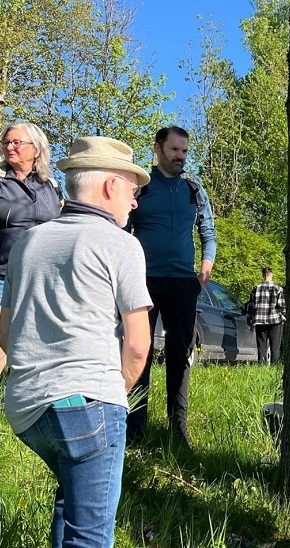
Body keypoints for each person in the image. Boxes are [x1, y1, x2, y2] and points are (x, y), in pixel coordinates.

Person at [0, 136, 152, 547]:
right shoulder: (122, 245)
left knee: (71, 506)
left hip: (26, 410)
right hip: (90, 404)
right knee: (90, 536)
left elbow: (5, 333)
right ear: (110, 187)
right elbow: (139, 344)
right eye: (132, 190)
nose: (134, 202)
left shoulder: (27, 243)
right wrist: (112, 393)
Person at [126, 126, 217, 448]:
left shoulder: (195, 190)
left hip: (183, 284)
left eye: (184, 152)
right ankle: (134, 432)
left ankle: (177, 431)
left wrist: (206, 264)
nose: (180, 157)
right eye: (174, 150)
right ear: (158, 149)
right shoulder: (139, 189)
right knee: (139, 353)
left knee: (180, 355)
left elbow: (209, 232)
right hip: (142, 283)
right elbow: (122, 231)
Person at [0, 122, 62, 369]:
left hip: (42, 278)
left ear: (36, 149)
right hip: (3, 275)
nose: (10, 147)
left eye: (17, 142)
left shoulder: (52, 186)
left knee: (34, 342)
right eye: (6, 143)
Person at [247, 267, 286, 364]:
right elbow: (282, 306)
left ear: (262, 275)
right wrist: (283, 315)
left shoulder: (256, 289)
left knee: (261, 346)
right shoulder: (277, 288)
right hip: (275, 320)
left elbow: (251, 306)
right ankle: (274, 364)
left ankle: (261, 365)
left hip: (260, 320)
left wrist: (251, 319)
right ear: (271, 275)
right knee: (275, 346)